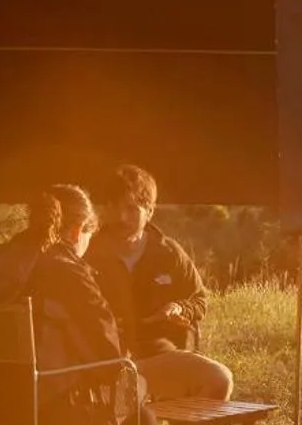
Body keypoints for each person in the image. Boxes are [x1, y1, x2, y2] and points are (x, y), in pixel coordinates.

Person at [21, 185, 152, 425]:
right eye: (90, 235)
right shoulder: (66, 270)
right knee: (139, 417)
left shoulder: (0, 263)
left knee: (117, 409)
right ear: (78, 230)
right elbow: (110, 355)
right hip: (40, 418)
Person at [87, 164, 233, 403]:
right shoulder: (89, 251)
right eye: (114, 207)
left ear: (150, 211)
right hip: (104, 363)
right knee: (130, 412)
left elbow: (199, 300)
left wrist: (179, 308)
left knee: (219, 379)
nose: (121, 217)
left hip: (158, 358)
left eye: (132, 209)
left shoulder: (168, 253)